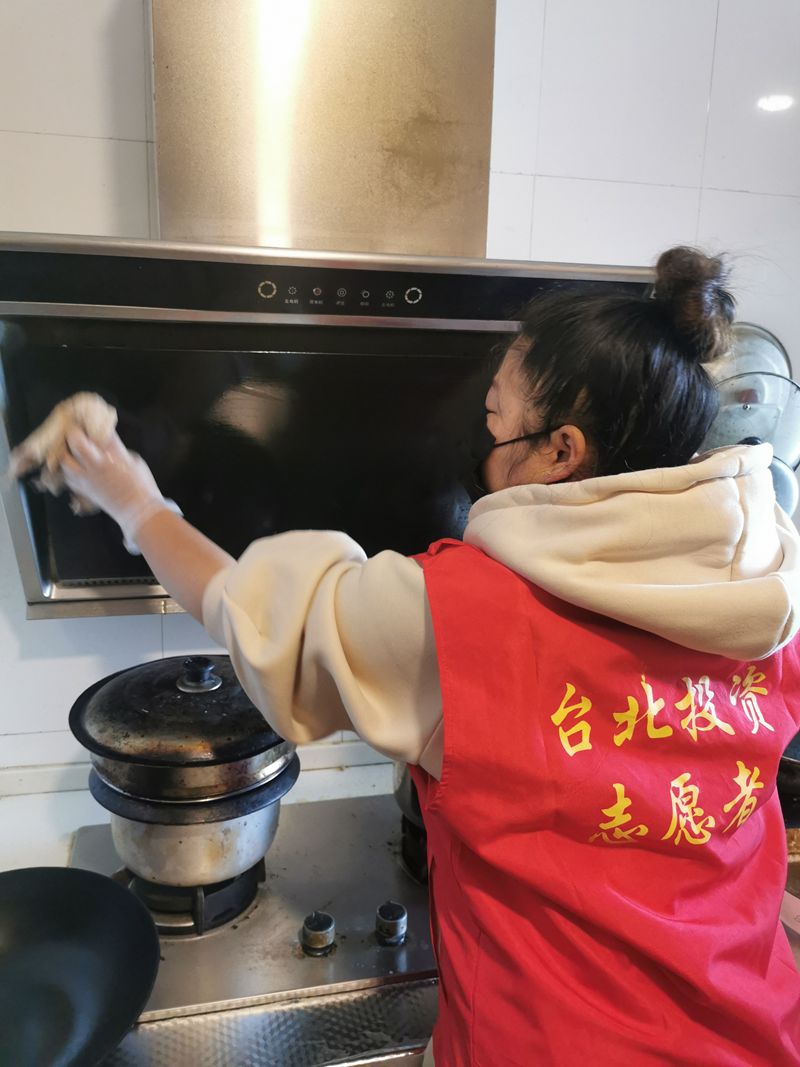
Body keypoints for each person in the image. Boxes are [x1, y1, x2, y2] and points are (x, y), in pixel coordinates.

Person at [59, 246, 800, 1066]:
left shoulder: (458, 618)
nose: (477, 438)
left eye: (493, 419)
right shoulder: (765, 595)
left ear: (562, 452)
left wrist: (132, 497)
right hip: (758, 1032)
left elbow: (248, 607)